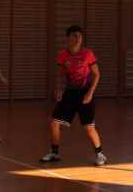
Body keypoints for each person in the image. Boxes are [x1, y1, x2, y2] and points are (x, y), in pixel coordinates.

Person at [40, 25, 106, 166]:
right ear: (68, 38)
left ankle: (100, 154)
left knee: (88, 127)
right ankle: (54, 153)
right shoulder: (63, 55)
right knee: (54, 123)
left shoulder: (88, 54)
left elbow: (97, 74)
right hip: (70, 92)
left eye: (80, 36)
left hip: (85, 92)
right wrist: (59, 89)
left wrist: (90, 93)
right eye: (75, 35)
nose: (78, 38)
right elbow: (60, 74)